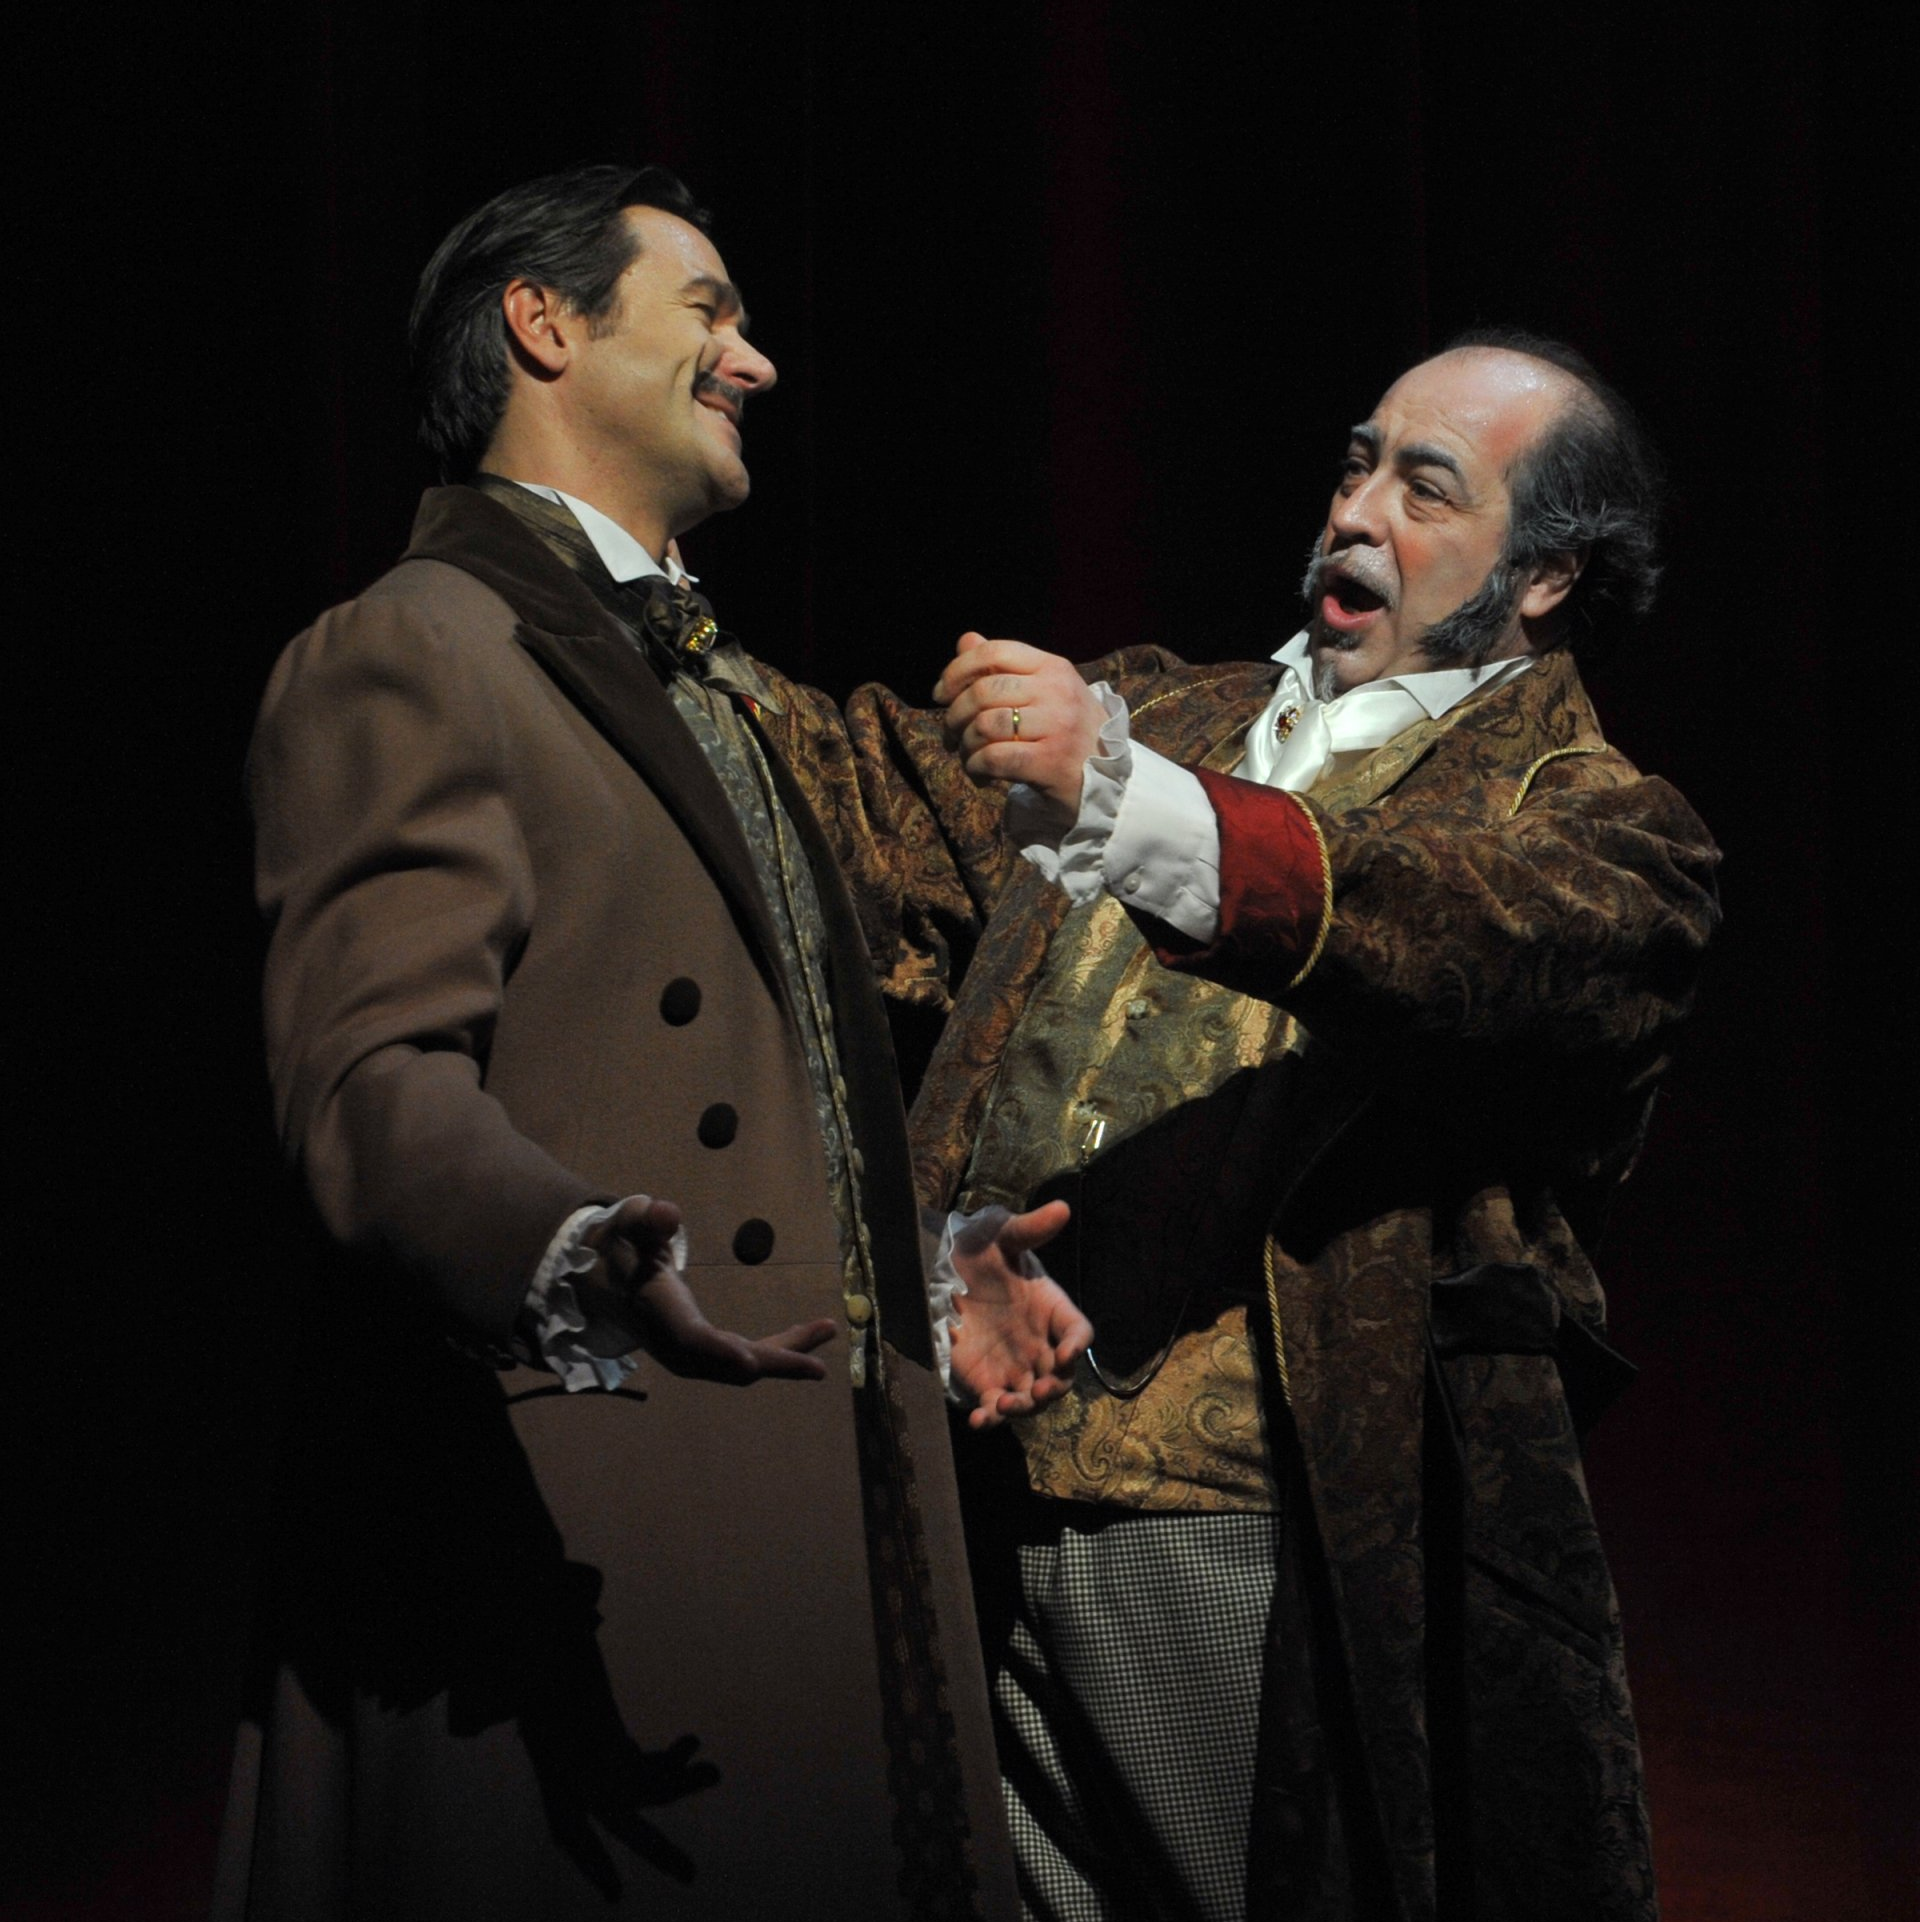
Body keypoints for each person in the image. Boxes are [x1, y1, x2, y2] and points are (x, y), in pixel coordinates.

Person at [215, 163, 1075, 1922]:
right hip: (590, 1518)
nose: (756, 360)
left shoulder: (724, 688)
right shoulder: (410, 648)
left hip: (829, 1507)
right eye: (708, 310)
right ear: (543, 323)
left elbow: (744, 1082)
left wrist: (912, 1253)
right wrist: (570, 1246)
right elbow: (367, 1083)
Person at [857, 335, 1721, 1919]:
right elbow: (851, 810)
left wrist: (1125, 795)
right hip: (961, 1484)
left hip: (1245, 1552)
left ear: (1547, 576)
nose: (1356, 510)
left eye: (1425, 487)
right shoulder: (1160, 706)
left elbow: (1445, 924)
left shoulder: (1604, 832)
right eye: (1356, 463)